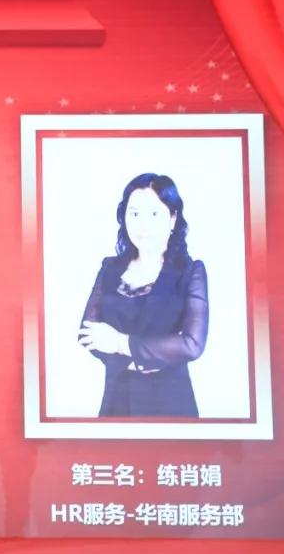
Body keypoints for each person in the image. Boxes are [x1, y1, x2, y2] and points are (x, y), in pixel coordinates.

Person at [78, 173, 208, 417]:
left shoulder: (190, 272)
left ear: (173, 218)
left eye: (154, 214)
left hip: (171, 406)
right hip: (116, 403)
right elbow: (87, 333)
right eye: (134, 214)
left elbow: (192, 344)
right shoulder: (110, 268)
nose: (142, 224)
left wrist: (122, 344)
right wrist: (141, 359)